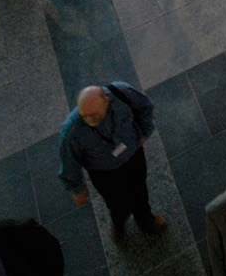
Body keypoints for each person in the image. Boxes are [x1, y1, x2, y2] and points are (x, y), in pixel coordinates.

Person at [59, 84, 166, 242]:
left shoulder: (122, 94)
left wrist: (144, 131)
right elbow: (69, 162)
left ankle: (145, 220)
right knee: (116, 203)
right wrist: (78, 189)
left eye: (93, 115)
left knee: (140, 191)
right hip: (104, 172)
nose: (89, 120)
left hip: (133, 156)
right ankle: (119, 225)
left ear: (106, 102)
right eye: (85, 116)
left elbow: (145, 107)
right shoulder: (72, 130)